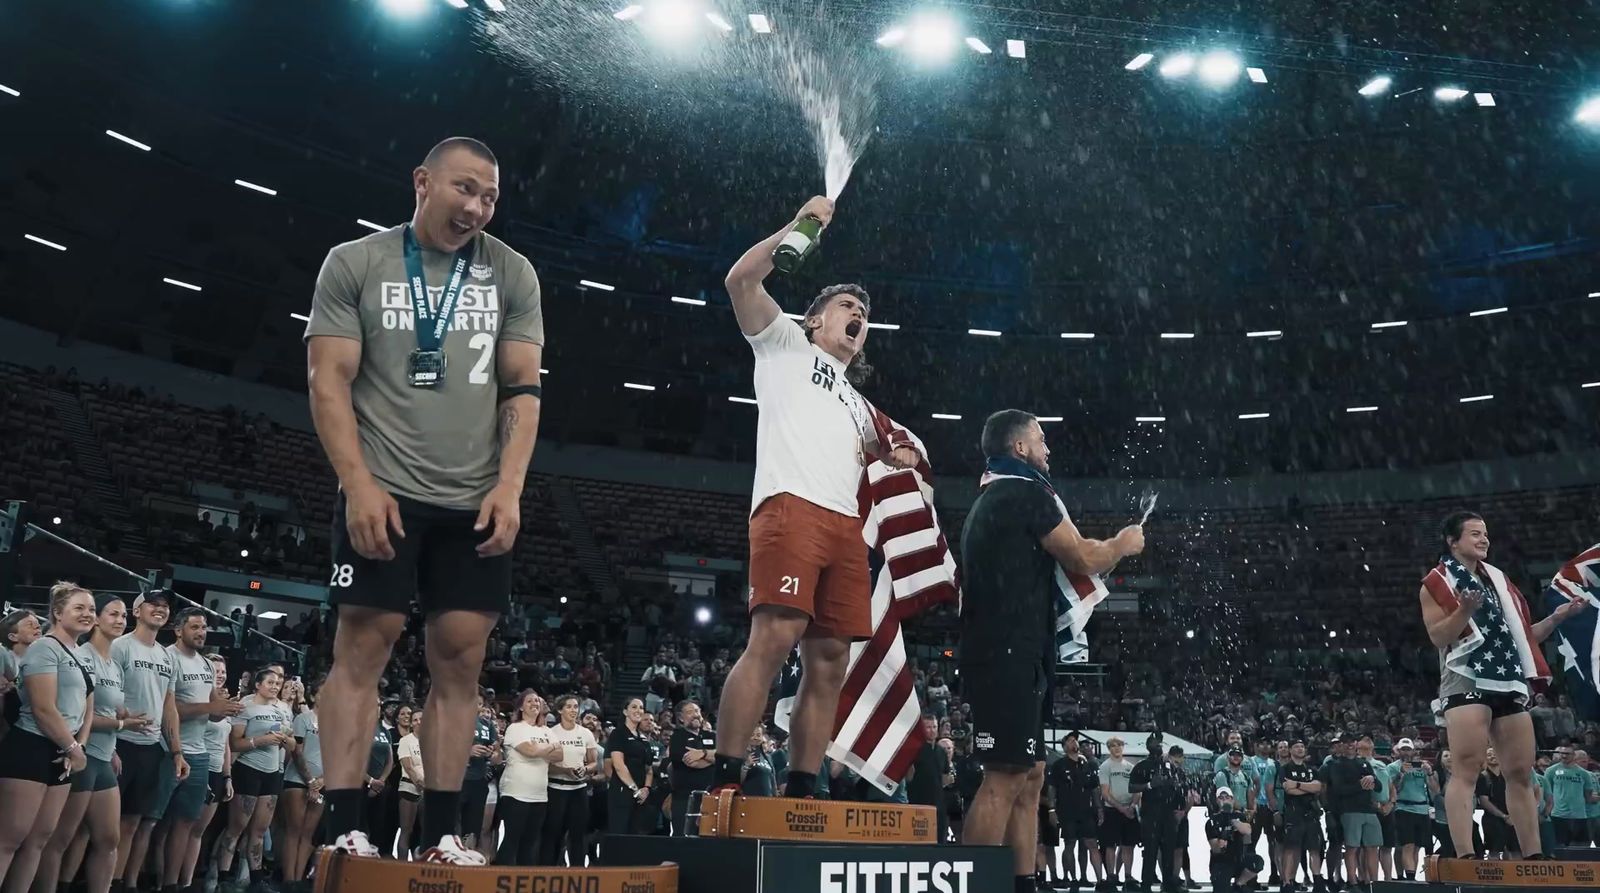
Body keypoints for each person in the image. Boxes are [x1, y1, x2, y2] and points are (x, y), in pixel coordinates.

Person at [305, 134, 545, 865]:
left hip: (472, 503)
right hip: (386, 491)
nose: (476, 207)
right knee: (361, 654)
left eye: (490, 196)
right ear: (422, 181)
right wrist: (358, 485)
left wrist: (509, 486)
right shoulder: (357, 263)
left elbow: (523, 389)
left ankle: (442, 832)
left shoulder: (513, 272)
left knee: (461, 665)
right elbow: (327, 382)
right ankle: (344, 825)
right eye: (464, 188)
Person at [713, 195, 927, 802]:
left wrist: (898, 456)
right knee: (774, 638)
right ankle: (726, 779)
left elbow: (876, 452)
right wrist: (800, 226)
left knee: (831, 660)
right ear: (814, 321)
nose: (858, 315)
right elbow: (739, 279)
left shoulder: (860, 405)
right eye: (846, 306)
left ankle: (803, 791)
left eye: (863, 313)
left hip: (843, 526)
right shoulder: (784, 342)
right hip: (789, 507)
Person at [959, 409, 1145, 893]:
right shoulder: (1023, 492)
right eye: (1041, 439)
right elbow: (1083, 556)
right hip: (1006, 654)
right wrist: (1123, 544)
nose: (1048, 448)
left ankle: (1024, 882)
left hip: (1017, 652)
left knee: (1031, 775)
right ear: (1019, 448)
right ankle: (969, 884)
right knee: (1003, 776)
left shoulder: (994, 495)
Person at [1420, 511, 1585, 859]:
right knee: (1466, 767)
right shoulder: (1436, 582)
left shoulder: (1499, 583)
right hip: (1465, 676)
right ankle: (1464, 854)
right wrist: (1464, 610)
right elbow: (1438, 637)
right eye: (1475, 534)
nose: (1484, 540)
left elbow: (1524, 639)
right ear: (1453, 541)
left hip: (1507, 677)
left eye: (1486, 534)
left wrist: (1557, 618)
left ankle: (1533, 855)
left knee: (1521, 771)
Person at [0, 583, 96, 890]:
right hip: (32, 746)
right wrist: (72, 746)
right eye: (79, 608)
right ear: (57, 613)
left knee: (38, 840)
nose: (87, 614)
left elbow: (87, 707)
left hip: (64, 752)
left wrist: (78, 744)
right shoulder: (44, 647)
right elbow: (43, 707)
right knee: (10, 838)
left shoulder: (82, 654)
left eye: (91, 609)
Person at [35, 595, 130, 893]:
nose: (119, 620)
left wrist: (114, 744)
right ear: (97, 620)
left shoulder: (115, 666)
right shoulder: (81, 655)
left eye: (124, 615)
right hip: (79, 755)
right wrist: (119, 725)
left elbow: (102, 711)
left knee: (108, 838)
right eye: (112, 614)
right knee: (59, 839)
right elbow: (75, 712)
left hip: (103, 756)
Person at [111, 591, 187, 893]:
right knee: (95, 828)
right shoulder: (120, 646)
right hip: (118, 743)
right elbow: (104, 694)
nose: (160, 609)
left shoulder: (166, 655)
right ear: (136, 610)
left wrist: (177, 751)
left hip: (151, 749)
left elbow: (169, 706)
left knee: (131, 823)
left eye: (165, 606)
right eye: (153, 605)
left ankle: (116, 883)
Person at [163, 608, 241, 893]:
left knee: (186, 823)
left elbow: (213, 714)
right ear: (178, 629)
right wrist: (212, 707)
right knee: (149, 824)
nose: (201, 632)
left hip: (200, 754)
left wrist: (225, 710)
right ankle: (137, 880)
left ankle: (173, 884)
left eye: (204, 627)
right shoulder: (168, 656)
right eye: (194, 626)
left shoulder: (207, 665)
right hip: (168, 749)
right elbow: (167, 708)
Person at [215, 666, 294, 891]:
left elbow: (290, 742)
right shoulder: (246, 707)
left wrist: (287, 742)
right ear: (258, 685)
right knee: (236, 828)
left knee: (259, 831)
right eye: (270, 682)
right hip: (248, 769)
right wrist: (262, 740)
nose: (275, 687)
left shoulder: (284, 709)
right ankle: (223, 878)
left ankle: (257, 880)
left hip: (272, 772)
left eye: (278, 684)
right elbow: (235, 743)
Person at [498, 691, 556, 866]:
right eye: (529, 701)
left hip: (539, 795)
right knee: (511, 840)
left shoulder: (546, 730)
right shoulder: (515, 728)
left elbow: (560, 755)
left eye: (537, 701)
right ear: (521, 706)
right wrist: (549, 748)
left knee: (530, 844)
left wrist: (540, 749)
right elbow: (529, 752)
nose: (535, 703)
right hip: (516, 793)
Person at [541, 694, 600, 866]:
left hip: (579, 790)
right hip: (556, 789)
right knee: (553, 834)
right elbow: (546, 765)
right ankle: (550, 870)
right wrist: (565, 770)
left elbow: (594, 763)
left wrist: (585, 769)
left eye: (576, 707)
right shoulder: (551, 733)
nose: (574, 710)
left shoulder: (585, 733)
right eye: (569, 707)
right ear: (560, 710)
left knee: (578, 835)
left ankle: (578, 871)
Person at [281, 680, 326, 888]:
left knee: (308, 834)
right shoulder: (303, 718)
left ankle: (299, 881)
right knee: (294, 830)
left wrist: (321, 782)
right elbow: (296, 751)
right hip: (298, 780)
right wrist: (309, 781)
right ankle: (288, 880)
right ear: (314, 696)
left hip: (321, 783)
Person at [1048, 731, 1103, 891]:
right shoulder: (1059, 765)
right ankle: (1071, 878)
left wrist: (1099, 808)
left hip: (1086, 810)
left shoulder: (1089, 764)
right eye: (1070, 741)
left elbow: (1094, 788)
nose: (1074, 743)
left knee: (1091, 843)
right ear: (1064, 747)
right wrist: (1052, 809)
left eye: (1075, 740)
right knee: (1070, 843)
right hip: (1067, 811)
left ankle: (1099, 880)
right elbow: (1052, 789)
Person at [1130, 741, 1187, 893]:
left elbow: (1182, 788)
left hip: (1169, 813)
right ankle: (1146, 885)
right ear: (1148, 747)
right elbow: (1132, 787)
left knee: (1169, 850)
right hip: (1150, 813)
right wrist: (1149, 785)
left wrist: (1181, 808)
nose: (1158, 748)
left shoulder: (1171, 767)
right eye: (1154, 744)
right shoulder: (1142, 766)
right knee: (1150, 850)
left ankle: (1168, 883)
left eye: (1159, 744)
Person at [1325, 734, 1378, 886]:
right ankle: (1352, 881)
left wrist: (1372, 780)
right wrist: (1361, 784)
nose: (1349, 744)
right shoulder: (1334, 765)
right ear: (1340, 745)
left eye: (1352, 741)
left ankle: (1373, 882)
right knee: (1352, 847)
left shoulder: (1364, 763)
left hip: (1368, 809)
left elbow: (1378, 785)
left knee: (1372, 847)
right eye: (1346, 742)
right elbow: (1338, 789)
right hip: (1349, 810)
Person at [1277, 740, 1325, 893]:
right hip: (1293, 812)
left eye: (1302, 746)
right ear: (1290, 750)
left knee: (1314, 849)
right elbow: (1288, 790)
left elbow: (1318, 787)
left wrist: (1297, 785)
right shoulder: (1285, 768)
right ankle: (1287, 882)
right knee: (1291, 848)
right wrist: (1307, 788)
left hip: (1311, 813)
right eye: (1296, 747)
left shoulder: (1312, 769)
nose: (1300, 749)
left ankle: (1317, 881)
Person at [606, 698, 656, 834]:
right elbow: (618, 764)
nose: (638, 710)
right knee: (620, 833)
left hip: (641, 795)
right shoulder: (618, 733)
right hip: (623, 792)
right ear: (625, 711)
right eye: (634, 707)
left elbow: (649, 768)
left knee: (637, 835)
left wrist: (646, 788)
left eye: (641, 708)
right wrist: (635, 789)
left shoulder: (644, 739)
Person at [1387, 738, 1435, 878]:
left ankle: (1411, 877)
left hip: (1422, 809)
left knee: (1417, 848)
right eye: (1404, 749)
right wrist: (1401, 773)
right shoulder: (1392, 767)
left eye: (1409, 749)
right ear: (1398, 751)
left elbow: (1435, 790)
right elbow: (1391, 790)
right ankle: (1408, 879)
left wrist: (1430, 773)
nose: (1406, 752)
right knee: (1407, 845)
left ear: (1414, 751)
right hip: (1403, 808)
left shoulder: (1422, 766)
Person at [667, 700, 715, 836]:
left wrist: (702, 753)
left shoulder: (711, 735)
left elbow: (723, 755)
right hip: (685, 798)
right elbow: (692, 763)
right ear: (681, 718)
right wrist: (712, 758)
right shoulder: (677, 737)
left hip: (710, 797)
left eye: (697, 711)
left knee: (708, 838)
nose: (696, 715)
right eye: (690, 712)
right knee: (684, 838)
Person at [1097, 737, 1140, 890]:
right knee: (1110, 845)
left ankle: (1128, 876)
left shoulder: (1130, 767)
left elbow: (1137, 789)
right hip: (1112, 809)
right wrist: (1121, 808)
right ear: (1109, 749)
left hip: (1129, 808)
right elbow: (1105, 793)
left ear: (1123, 747)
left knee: (1128, 845)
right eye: (1113, 746)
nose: (1116, 748)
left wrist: (1132, 805)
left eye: (1119, 745)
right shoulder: (1105, 766)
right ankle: (1111, 876)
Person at [460, 688, 500, 853]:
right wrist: (466, 752)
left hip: (479, 781)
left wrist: (493, 753)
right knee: (452, 827)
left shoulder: (487, 725)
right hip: (456, 781)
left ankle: (468, 862)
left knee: (473, 828)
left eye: (479, 703)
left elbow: (498, 755)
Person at [907, 714, 952, 843]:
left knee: (939, 839)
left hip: (938, 803)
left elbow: (945, 776)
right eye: (928, 727)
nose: (932, 730)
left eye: (934, 727)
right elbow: (909, 777)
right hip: (918, 801)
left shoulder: (941, 751)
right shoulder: (914, 749)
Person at [1543, 743, 1597, 846]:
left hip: (1579, 816)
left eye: (1567, 753)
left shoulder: (1584, 774)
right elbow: (1546, 793)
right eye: (1562, 753)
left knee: (1580, 848)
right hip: (1558, 815)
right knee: (1559, 847)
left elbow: (1588, 796)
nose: (1564, 756)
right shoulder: (1551, 771)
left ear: (1573, 755)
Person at [1206, 788, 1256, 893]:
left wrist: (1234, 823)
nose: (1224, 800)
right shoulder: (1212, 821)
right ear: (1217, 801)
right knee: (1221, 888)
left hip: (1238, 857)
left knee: (1256, 861)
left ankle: (1239, 884)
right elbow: (1215, 848)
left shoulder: (1239, 816)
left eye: (1227, 797)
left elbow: (1248, 830)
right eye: (1221, 798)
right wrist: (1222, 840)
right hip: (1221, 861)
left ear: (1232, 800)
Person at [397, 709, 425, 858]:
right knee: (406, 830)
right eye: (415, 720)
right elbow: (408, 766)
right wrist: (421, 784)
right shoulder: (405, 741)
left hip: (427, 790)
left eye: (421, 719)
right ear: (412, 723)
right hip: (409, 788)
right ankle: (401, 865)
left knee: (423, 831)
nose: (418, 722)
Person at [1477, 747, 1515, 857]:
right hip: (1492, 820)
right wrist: (1503, 816)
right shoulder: (1482, 777)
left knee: (1513, 851)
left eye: (1495, 753)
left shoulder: (1508, 776)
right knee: (1494, 852)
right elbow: (1484, 801)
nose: (1493, 756)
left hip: (1511, 818)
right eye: (1489, 754)